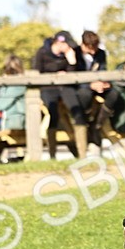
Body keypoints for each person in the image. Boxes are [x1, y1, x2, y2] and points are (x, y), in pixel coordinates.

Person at [32, 29, 88, 159]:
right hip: (48, 88)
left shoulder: (70, 54)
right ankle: (52, 155)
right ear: (59, 42)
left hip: (65, 87)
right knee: (53, 115)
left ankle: (83, 155)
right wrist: (52, 77)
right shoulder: (42, 53)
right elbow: (36, 73)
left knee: (77, 112)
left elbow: (74, 75)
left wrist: (72, 62)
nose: (69, 47)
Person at [75, 30, 108, 151]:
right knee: (84, 95)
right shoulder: (75, 53)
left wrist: (102, 83)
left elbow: (103, 70)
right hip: (81, 87)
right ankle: (88, 124)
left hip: (98, 86)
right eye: (90, 48)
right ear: (83, 45)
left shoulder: (101, 54)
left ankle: (98, 125)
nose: (94, 51)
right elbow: (74, 75)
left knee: (114, 94)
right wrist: (90, 85)